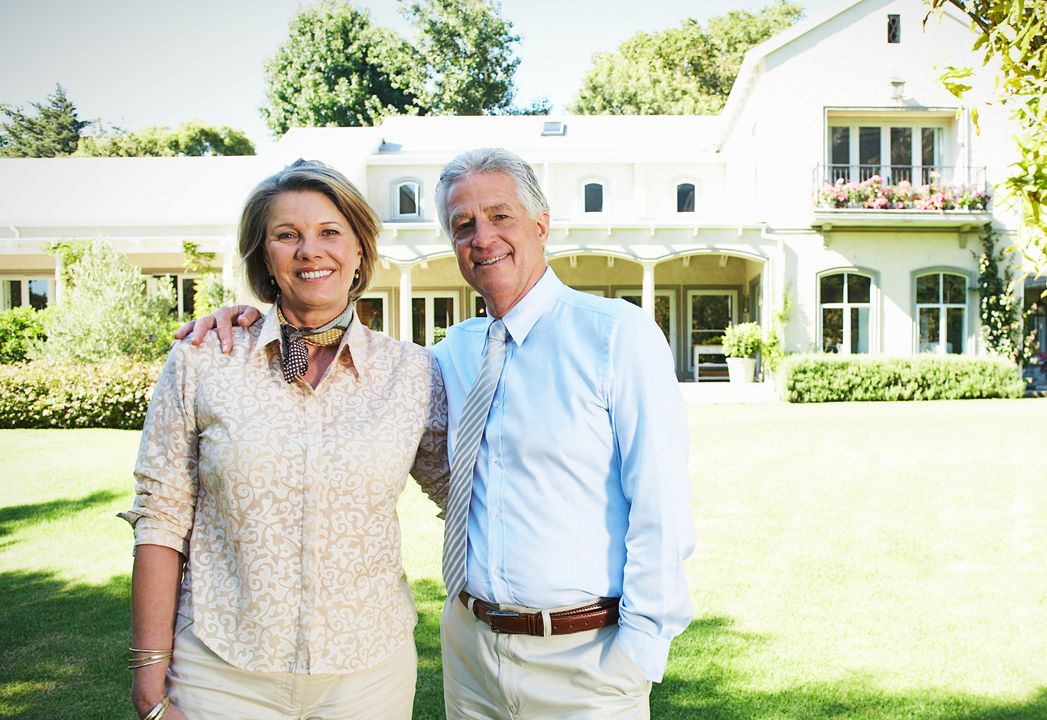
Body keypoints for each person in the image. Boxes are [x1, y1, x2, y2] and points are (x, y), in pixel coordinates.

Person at [184, 147, 695, 718]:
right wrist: (250, 320)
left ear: (541, 225)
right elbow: (330, 352)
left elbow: (662, 504)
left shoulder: (616, 337)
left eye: (500, 216)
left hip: (586, 658)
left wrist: (639, 652)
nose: (483, 237)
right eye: (463, 225)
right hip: (471, 654)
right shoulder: (451, 356)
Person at [121, 160, 449, 720]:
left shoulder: (414, 374)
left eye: (329, 232)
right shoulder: (204, 359)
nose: (310, 251)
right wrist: (150, 678)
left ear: (359, 249)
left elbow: (464, 491)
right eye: (287, 235)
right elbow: (161, 516)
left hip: (367, 674)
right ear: (264, 255)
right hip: (221, 668)